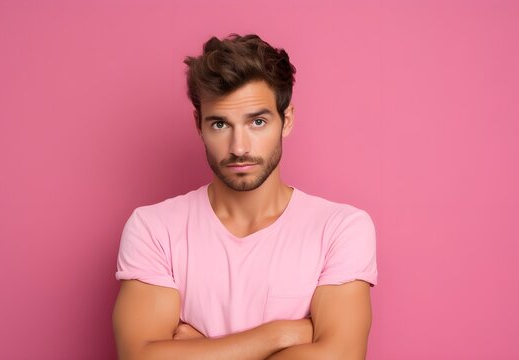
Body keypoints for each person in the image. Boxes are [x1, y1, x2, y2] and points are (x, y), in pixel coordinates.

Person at [112, 34, 377, 360]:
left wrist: (199, 350)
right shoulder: (154, 228)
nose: (239, 147)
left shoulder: (340, 229)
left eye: (258, 121)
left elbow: (341, 356)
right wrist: (282, 333)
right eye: (221, 124)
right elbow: (140, 357)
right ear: (199, 125)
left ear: (287, 120)